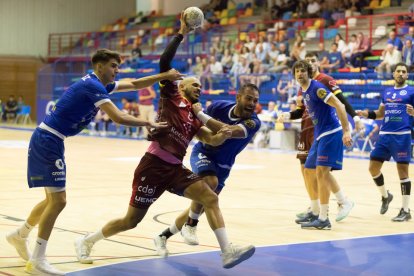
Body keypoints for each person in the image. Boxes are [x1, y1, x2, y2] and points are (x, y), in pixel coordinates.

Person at [74, 13, 255, 269]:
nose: (199, 89)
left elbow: (211, 141)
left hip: (174, 169)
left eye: (201, 88)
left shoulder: (195, 117)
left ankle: (227, 251)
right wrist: (181, 32)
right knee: (131, 221)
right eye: (195, 85)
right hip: (153, 165)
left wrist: (222, 134)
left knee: (211, 197)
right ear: (181, 86)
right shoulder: (171, 97)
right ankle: (87, 240)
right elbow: (164, 61)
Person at [5, 48, 183, 275]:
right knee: (58, 201)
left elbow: (135, 83)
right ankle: (38, 259)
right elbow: (119, 117)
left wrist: (164, 76)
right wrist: (148, 123)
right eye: (113, 66)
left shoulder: (97, 83)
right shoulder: (93, 86)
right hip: (48, 140)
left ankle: (20, 234)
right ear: (99, 66)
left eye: (118, 67)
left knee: (52, 199)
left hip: (51, 139)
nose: (116, 71)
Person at [154, 83, 261, 256]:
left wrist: (200, 113)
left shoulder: (253, 122)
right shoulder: (218, 107)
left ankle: (163, 236)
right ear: (238, 97)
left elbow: (228, 130)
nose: (252, 103)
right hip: (204, 153)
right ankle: (191, 225)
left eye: (255, 100)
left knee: (204, 203)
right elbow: (198, 127)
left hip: (224, 166)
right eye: (248, 98)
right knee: (210, 183)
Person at [279, 52, 359, 228]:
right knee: (309, 170)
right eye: (297, 71)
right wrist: (287, 115)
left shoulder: (317, 88)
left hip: (331, 133)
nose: (300, 74)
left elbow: (339, 104)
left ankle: (323, 218)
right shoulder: (304, 91)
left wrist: (346, 131)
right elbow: (302, 111)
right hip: (319, 134)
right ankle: (315, 211)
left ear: (308, 72)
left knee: (322, 173)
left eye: (302, 71)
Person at [357, 62, 414, 222]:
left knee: (403, 172)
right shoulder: (387, 91)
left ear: (407, 75)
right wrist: (366, 114)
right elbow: (380, 113)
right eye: (398, 71)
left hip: (402, 135)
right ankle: (386, 196)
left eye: (404, 71)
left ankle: (405, 210)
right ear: (394, 74)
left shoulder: (412, 91)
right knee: (373, 168)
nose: (401, 74)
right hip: (384, 136)